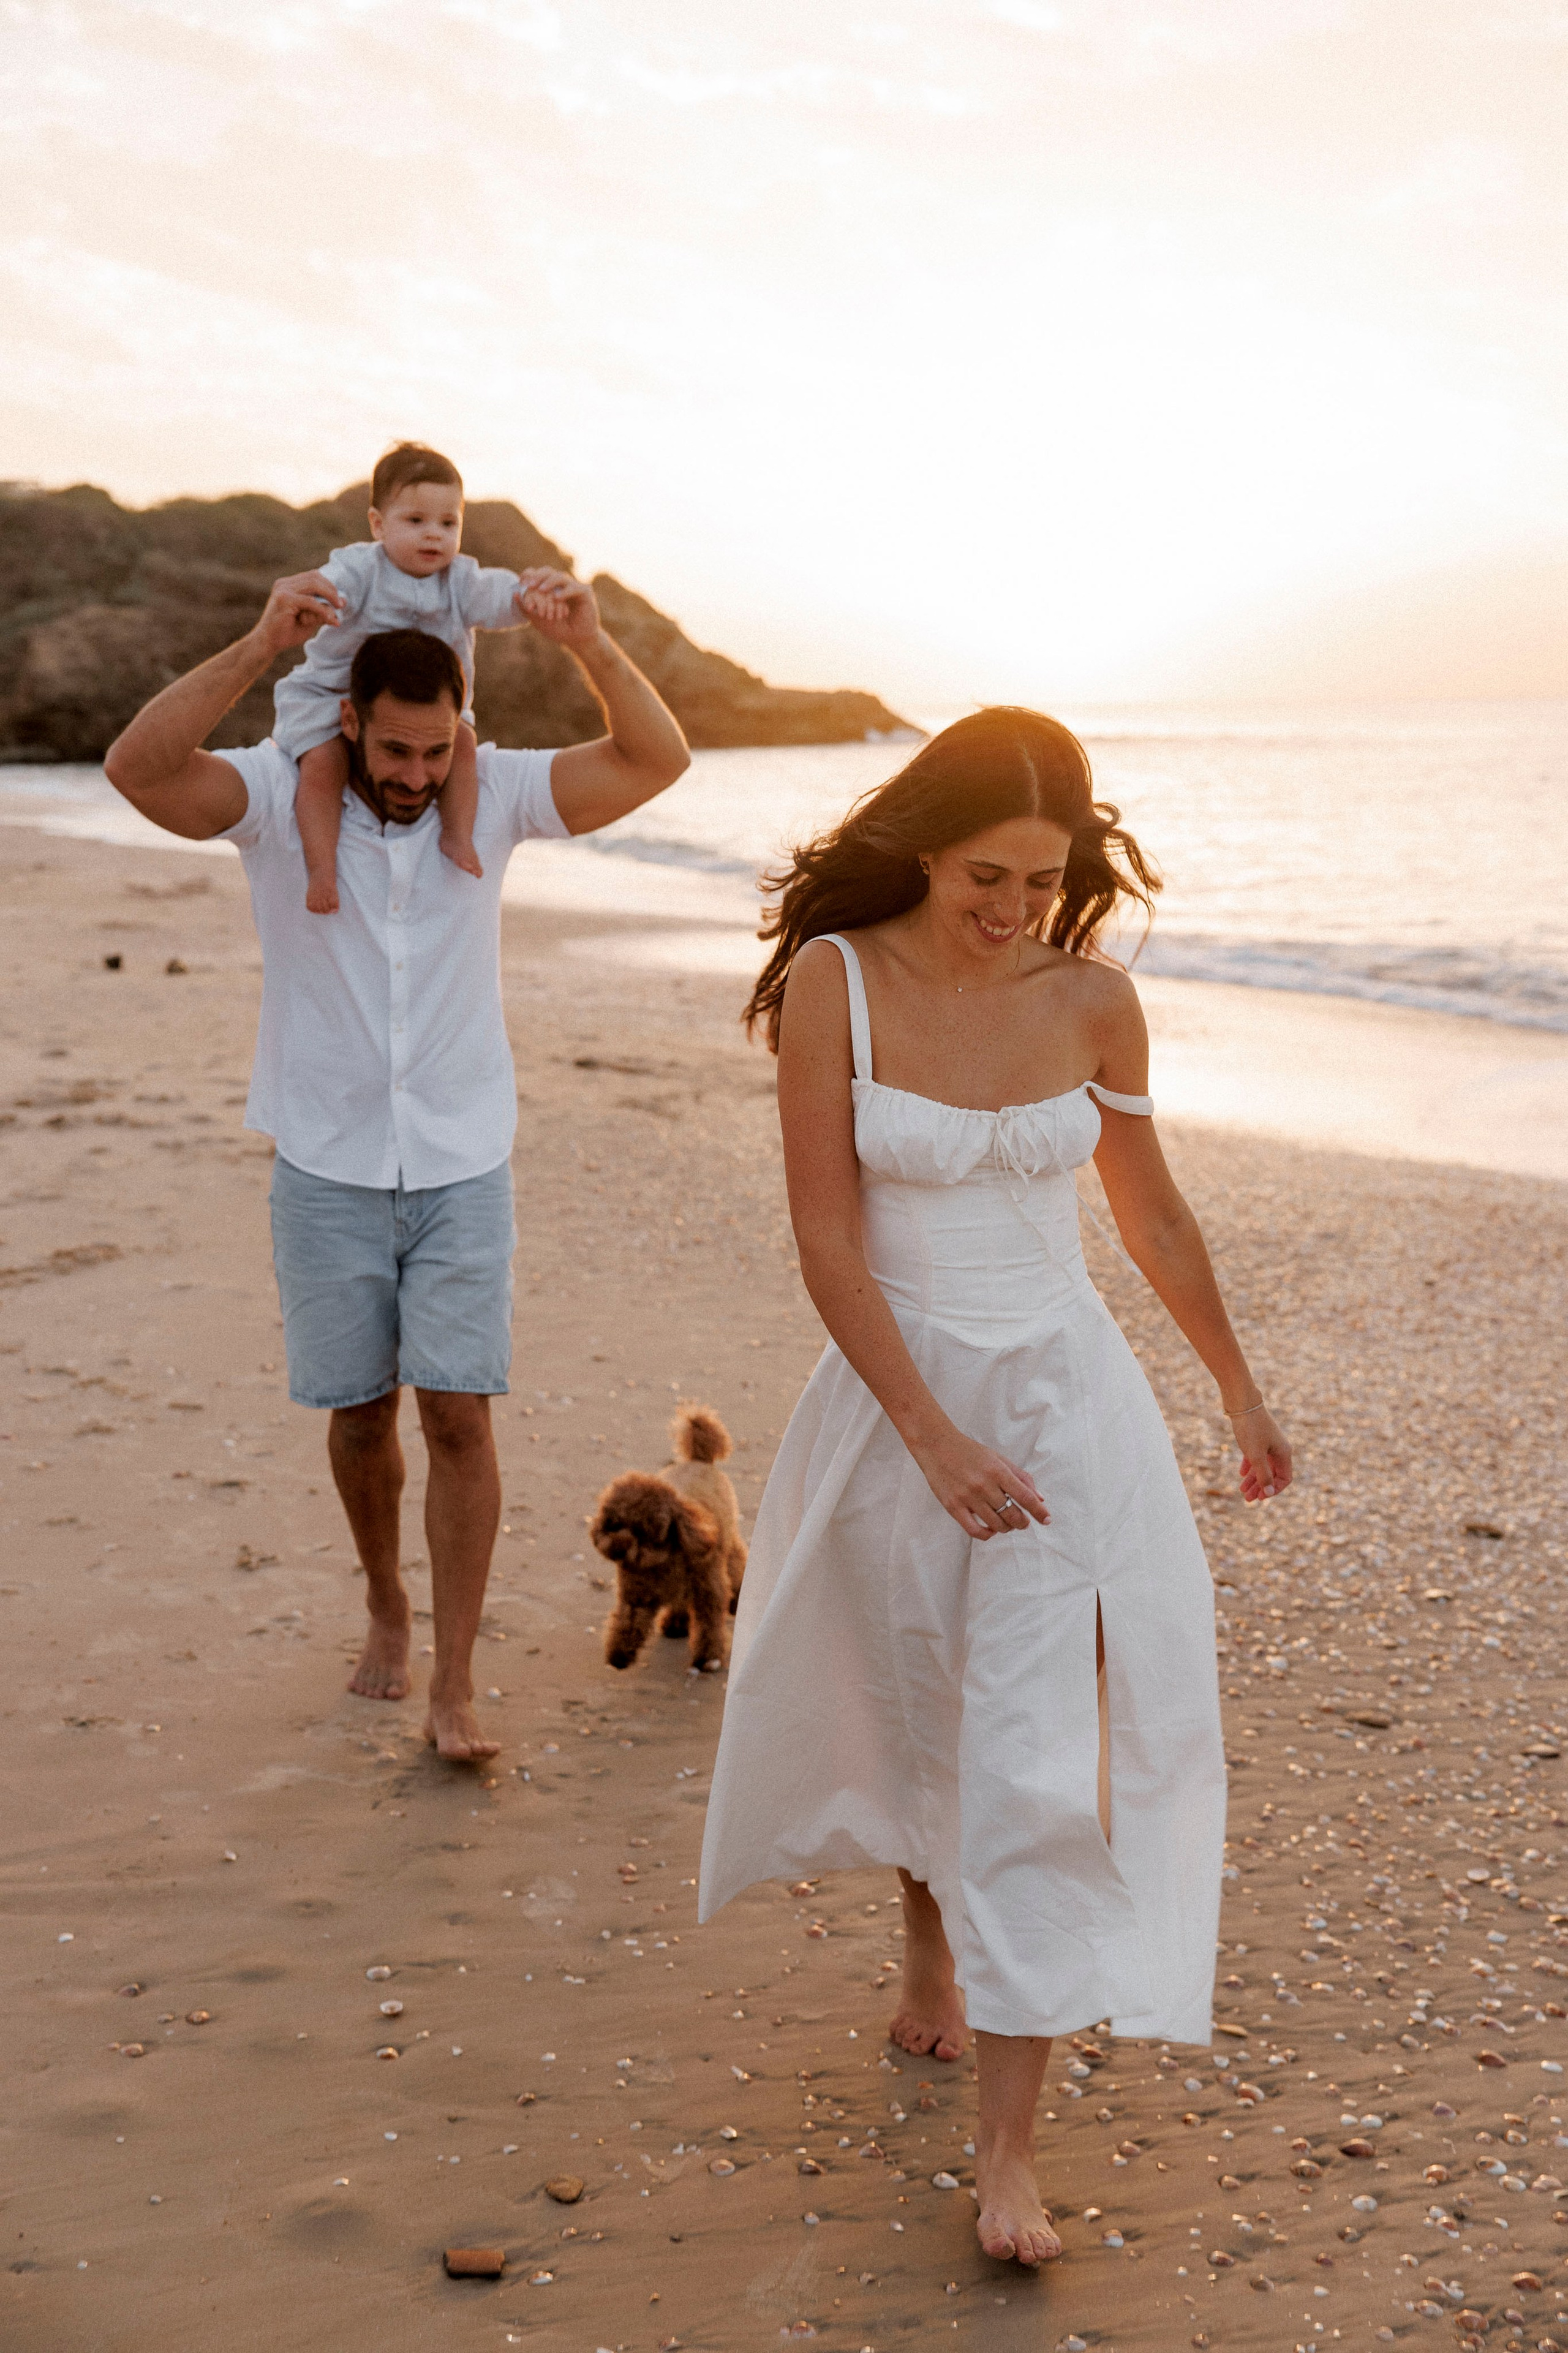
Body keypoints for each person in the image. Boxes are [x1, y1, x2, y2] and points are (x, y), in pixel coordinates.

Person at [698, 708, 1291, 2267]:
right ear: (920, 844)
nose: (1012, 905)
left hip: (1062, 1404)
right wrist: (927, 1434)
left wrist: (1231, 1381)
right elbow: (827, 1239)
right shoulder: (834, 982)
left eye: (1041, 876)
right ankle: (923, 1943)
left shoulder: (1091, 999)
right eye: (985, 871)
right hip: (899, 1394)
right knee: (914, 1697)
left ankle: (1008, 2154)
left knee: (1037, 1748)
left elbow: (1147, 1211)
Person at [104, 564, 690, 1762]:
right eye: (397, 753)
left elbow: (653, 760)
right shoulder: (279, 799)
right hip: (324, 1164)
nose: (417, 778)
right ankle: (386, 1598)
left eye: (438, 753)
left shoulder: (501, 794)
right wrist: (262, 644)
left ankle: (455, 1684)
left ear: (459, 734)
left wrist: (591, 646)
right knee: (361, 1417)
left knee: (461, 1419)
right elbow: (139, 768)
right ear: (354, 726)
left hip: (465, 1159)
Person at [275, 440, 530, 912]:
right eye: (416, 521)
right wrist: (323, 602)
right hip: (332, 696)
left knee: (464, 747)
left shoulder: (460, 581)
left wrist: (528, 599)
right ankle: (322, 870)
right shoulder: (362, 568)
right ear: (378, 524)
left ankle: (456, 836)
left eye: (448, 523)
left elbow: (498, 598)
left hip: (432, 711)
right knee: (323, 765)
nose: (434, 535)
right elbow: (335, 586)